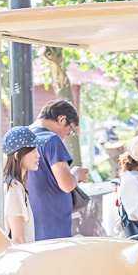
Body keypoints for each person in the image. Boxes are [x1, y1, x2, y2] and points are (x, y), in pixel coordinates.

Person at [26, 100, 88, 241]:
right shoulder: (52, 140)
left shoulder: (22, 137)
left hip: (30, 220)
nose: (66, 135)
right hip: (52, 221)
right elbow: (66, 184)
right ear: (62, 119)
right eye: (70, 130)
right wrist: (76, 174)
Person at [0, 126, 49, 244]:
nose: (38, 155)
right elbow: (18, 239)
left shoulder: (8, 183)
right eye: (33, 151)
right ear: (17, 156)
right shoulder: (14, 187)